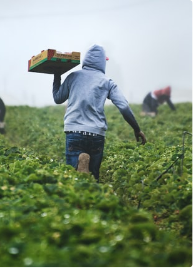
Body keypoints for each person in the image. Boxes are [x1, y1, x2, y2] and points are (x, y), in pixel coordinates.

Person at [52, 44, 146, 182]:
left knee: (72, 179)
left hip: (74, 131)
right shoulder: (107, 82)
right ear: (103, 62)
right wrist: (137, 129)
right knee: (93, 178)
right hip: (96, 134)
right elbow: (124, 107)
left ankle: (80, 163)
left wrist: (56, 76)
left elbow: (58, 98)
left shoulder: (73, 77)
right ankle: (89, 183)